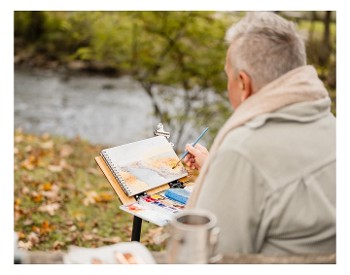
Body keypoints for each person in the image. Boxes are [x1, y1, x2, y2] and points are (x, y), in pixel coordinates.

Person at [184, 12, 336, 256]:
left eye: (228, 76)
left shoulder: (242, 150)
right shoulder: (332, 126)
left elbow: (208, 257)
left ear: (243, 84)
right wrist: (215, 167)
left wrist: (229, 164)